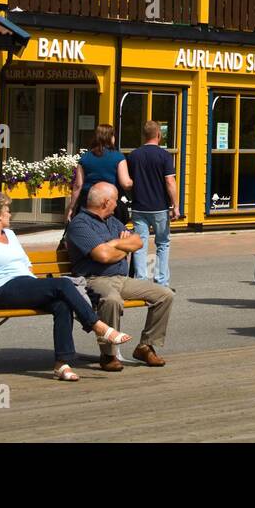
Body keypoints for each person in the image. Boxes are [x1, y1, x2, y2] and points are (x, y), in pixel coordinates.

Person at [0, 192, 131, 381]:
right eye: (7, 210)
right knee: (63, 284)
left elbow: (25, 263)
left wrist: (36, 284)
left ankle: (62, 364)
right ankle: (99, 328)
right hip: (4, 290)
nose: (10, 214)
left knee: (62, 304)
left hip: (26, 284)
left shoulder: (9, 234)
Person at [66, 182, 175, 371]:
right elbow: (103, 256)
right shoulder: (80, 224)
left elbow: (137, 241)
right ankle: (108, 354)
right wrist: (122, 247)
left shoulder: (112, 221)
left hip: (121, 279)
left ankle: (146, 346)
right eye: (116, 200)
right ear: (105, 202)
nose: (118, 204)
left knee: (165, 294)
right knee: (111, 300)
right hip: (94, 279)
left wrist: (113, 244)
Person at [126, 120, 178, 288]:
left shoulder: (133, 155)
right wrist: (175, 205)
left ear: (144, 135)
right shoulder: (164, 156)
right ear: (158, 135)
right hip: (160, 208)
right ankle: (161, 282)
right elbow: (170, 182)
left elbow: (128, 182)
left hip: (139, 206)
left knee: (140, 244)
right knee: (162, 244)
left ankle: (141, 282)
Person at [66, 124, 132, 222]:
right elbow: (125, 183)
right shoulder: (118, 157)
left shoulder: (85, 157)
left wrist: (71, 207)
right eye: (113, 135)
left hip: (88, 203)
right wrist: (133, 182)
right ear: (110, 138)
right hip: (110, 205)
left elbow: (78, 185)